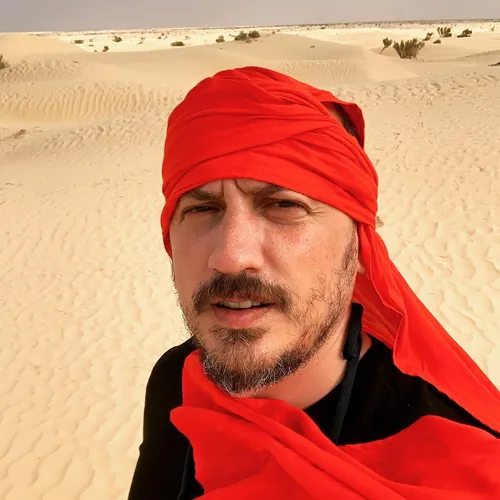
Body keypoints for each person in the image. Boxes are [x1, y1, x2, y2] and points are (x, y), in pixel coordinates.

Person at [128, 66, 500, 500]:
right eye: (201, 209)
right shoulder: (178, 377)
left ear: (361, 247)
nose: (230, 256)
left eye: (284, 205)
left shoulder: (461, 460)